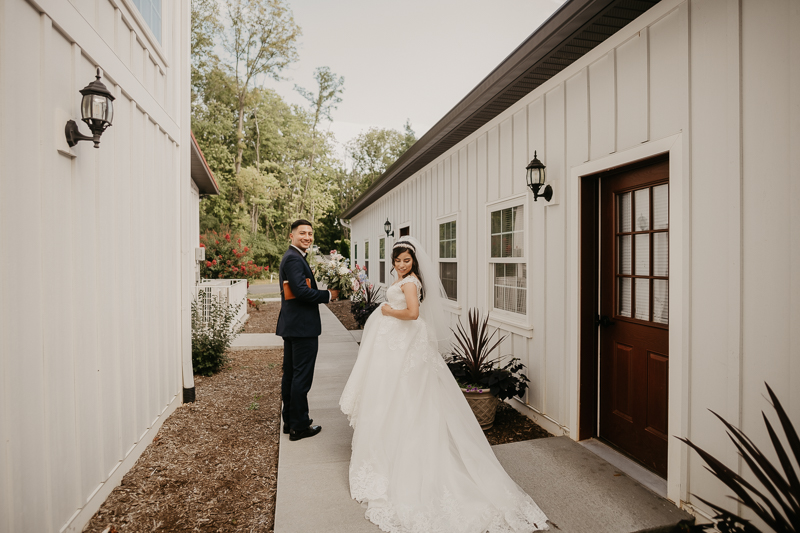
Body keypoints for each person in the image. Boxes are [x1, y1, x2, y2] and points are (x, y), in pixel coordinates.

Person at [340, 236, 549, 532]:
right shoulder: (403, 279)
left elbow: (412, 314)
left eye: (406, 261)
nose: (401, 265)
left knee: (408, 397)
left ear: (414, 262)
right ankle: (393, 441)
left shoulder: (411, 283)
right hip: (398, 345)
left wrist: (387, 311)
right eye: (397, 261)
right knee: (397, 397)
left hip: (406, 343)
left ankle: (407, 454)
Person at [277, 219, 337, 441]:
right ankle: (299, 426)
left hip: (293, 325)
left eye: (310, 233)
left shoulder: (293, 257)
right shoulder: (293, 259)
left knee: (292, 375)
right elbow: (301, 292)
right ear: (291, 236)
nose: (307, 237)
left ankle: (290, 421)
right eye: (302, 233)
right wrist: (329, 295)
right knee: (301, 377)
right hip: (302, 328)